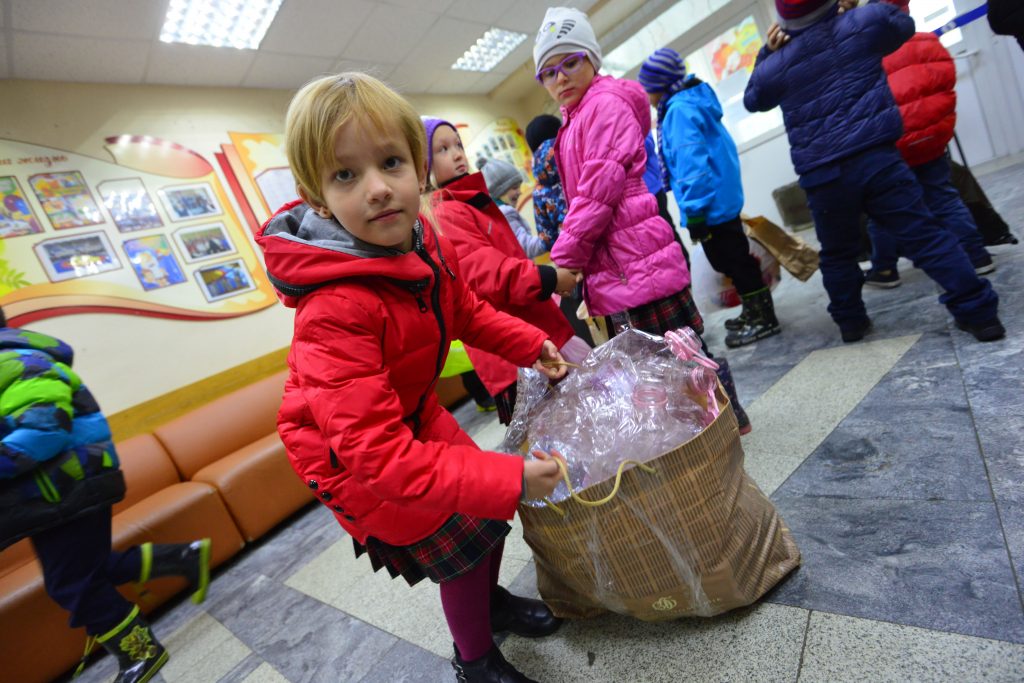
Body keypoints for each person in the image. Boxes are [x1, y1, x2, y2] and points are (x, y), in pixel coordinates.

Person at [257, 73, 568, 682]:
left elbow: (466, 311)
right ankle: (474, 661)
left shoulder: (422, 242)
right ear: (316, 196)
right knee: (461, 544)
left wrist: (534, 345)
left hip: (411, 415)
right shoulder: (333, 309)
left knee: (485, 518)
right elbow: (376, 454)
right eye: (346, 175)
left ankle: (489, 606)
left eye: (391, 161)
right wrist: (508, 474)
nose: (377, 189)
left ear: (417, 169)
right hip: (353, 458)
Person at [533, 6, 752, 432]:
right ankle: (703, 426)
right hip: (619, 266)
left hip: (635, 260)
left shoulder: (604, 106)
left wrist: (565, 261)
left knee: (680, 352)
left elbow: (598, 190)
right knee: (657, 362)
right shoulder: (575, 119)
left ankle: (727, 419)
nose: (560, 77)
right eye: (548, 72)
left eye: (570, 62)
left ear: (592, 60)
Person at [744, 0, 1004, 342]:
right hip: (877, 158)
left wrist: (767, 51)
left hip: (823, 176)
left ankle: (851, 324)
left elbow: (754, 99)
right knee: (925, 234)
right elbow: (903, 27)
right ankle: (980, 315)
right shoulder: (864, 22)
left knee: (837, 253)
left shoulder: (775, 64)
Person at [0, 308, 211, 683]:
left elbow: (46, 429)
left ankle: (142, 653)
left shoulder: (17, 361)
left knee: (71, 583)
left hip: (67, 489)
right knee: (92, 568)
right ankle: (185, 556)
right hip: (54, 495)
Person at [423, 117, 589, 425]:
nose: (458, 154)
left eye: (458, 145)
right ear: (423, 166)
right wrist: (550, 278)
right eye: (442, 150)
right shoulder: (444, 212)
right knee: (559, 433)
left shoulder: (467, 203)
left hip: (531, 332)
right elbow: (488, 272)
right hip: (514, 354)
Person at [640, 47, 781, 348]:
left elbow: (691, 166)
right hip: (720, 199)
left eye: (648, 88)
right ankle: (753, 310)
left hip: (709, 205)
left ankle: (763, 318)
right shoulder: (692, 101)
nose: (647, 95)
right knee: (734, 260)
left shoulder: (677, 112)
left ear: (659, 86)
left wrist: (695, 214)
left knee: (735, 262)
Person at [857, 0, 994, 288]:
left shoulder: (868, 53)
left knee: (883, 208)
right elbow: (945, 81)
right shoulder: (927, 40)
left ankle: (884, 269)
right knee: (945, 197)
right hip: (932, 139)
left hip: (894, 145)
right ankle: (977, 254)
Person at [526, 114, 596, 345]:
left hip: (572, 264)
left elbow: (546, 240)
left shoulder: (539, 191)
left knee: (592, 319)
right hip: (599, 248)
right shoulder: (579, 158)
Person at [479, 157, 549, 257]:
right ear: (499, 191)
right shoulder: (505, 213)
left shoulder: (493, 213)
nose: (520, 192)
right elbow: (525, 247)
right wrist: (549, 240)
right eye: (515, 188)